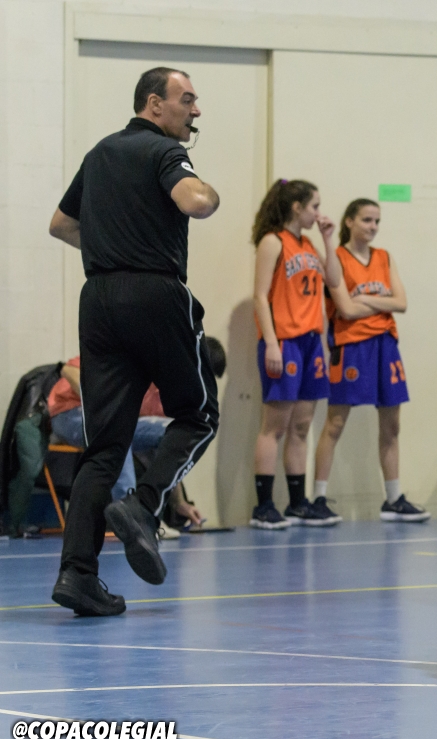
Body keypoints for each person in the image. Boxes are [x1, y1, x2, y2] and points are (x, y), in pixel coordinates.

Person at [47, 66, 221, 617]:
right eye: (187, 100)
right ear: (154, 104)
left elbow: (60, 224)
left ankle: (77, 574)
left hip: (98, 299)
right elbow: (195, 201)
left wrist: (112, 248)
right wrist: (209, 191)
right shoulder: (165, 151)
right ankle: (143, 506)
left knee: (104, 447)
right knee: (200, 415)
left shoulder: (100, 153)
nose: (196, 110)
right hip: (155, 293)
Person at [313, 198, 430, 523]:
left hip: (385, 344)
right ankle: (318, 498)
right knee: (335, 423)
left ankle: (393, 499)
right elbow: (346, 310)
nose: (373, 226)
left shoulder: (384, 257)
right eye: (367, 220)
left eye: (377, 221)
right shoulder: (336, 257)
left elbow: (402, 303)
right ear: (349, 221)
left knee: (392, 426)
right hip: (350, 345)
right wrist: (381, 301)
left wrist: (364, 297)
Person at [48, 337, 226, 533]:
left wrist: (179, 502)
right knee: (119, 427)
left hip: (114, 424)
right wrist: (104, 406)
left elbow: (168, 449)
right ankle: (131, 516)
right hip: (69, 413)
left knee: (175, 430)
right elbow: (68, 370)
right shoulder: (143, 357)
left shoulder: (168, 396)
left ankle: (149, 509)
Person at [251, 179, 340, 529]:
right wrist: (272, 342)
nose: (318, 213)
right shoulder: (273, 241)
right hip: (284, 341)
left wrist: (328, 239)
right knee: (274, 426)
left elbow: (334, 281)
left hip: (310, 342)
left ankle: (298, 503)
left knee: (301, 426)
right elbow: (260, 296)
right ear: (296, 207)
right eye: (314, 206)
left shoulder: (308, 244)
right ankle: (263, 507)